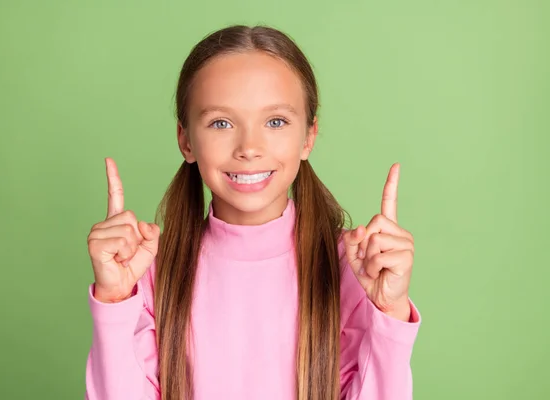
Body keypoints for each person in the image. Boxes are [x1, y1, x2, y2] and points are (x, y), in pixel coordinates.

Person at [84, 24, 420, 400]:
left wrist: (389, 312)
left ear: (308, 136)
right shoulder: (148, 274)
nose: (249, 147)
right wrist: (114, 302)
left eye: (275, 121)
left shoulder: (353, 269)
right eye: (221, 123)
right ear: (186, 140)